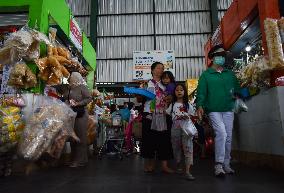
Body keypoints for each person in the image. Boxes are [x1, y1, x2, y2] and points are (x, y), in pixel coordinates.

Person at [196, 45, 240, 177]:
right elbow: (201, 93)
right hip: (213, 110)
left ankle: (226, 164)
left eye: (223, 56)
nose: (221, 58)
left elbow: (237, 90)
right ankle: (218, 165)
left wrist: (240, 95)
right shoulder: (206, 75)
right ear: (212, 58)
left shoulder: (230, 74)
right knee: (221, 133)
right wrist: (200, 105)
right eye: (219, 56)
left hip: (228, 108)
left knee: (228, 136)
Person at [141, 62, 173, 173]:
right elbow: (139, 99)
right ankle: (150, 164)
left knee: (164, 139)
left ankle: (164, 165)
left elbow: (171, 98)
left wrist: (169, 98)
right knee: (149, 139)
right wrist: (141, 92)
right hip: (148, 113)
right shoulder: (146, 83)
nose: (160, 70)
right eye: (158, 68)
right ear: (152, 70)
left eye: (162, 68)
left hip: (163, 114)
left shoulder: (166, 84)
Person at [166, 84, 196, 180]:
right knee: (176, 147)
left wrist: (187, 116)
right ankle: (178, 164)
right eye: (177, 90)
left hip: (186, 128)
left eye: (181, 90)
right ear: (174, 92)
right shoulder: (172, 104)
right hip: (175, 127)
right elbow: (167, 112)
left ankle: (187, 171)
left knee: (188, 148)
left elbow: (192, 115)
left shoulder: (188, 104)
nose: (179, 91)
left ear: (184, 92)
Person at [62, 72, 92, 168]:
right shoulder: (68, 88)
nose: (70, 78)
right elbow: (64, 98)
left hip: (80, 115)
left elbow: (89, 98)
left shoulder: (82, 87)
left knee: (80, 137)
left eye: (71, 77)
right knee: (72, 137)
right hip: (71, 115)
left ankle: (81, 160)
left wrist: (78, 103)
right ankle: (73, 158)